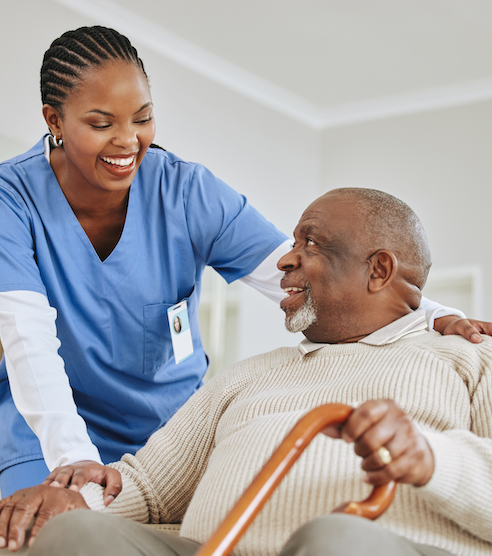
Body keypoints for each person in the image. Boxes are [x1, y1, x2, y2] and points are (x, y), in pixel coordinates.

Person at [0, 25, 486, 501]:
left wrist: (428, 312)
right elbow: (28, 340)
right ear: (54, 120)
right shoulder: (12, 199)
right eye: (102, 124)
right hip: (46, 434)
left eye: (142, 118)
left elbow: (303, 277)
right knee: (45, 529)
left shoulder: (186, 192)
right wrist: (73, 464)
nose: (128, 141)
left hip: (167, 440)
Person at [1, 188, 491, 556]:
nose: (284, 258)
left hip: (377, 545)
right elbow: (147, 487)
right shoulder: (249, 375)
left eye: (311, 243)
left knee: (336, 540)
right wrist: (67, 502)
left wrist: (433, 458)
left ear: (378, 270)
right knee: (74, 533)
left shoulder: (468, 357)